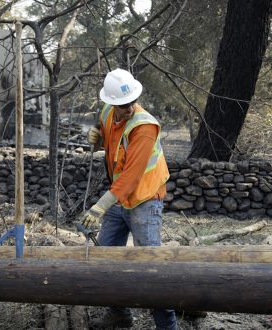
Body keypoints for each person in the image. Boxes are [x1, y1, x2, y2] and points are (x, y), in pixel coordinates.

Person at [82, 68, 177, 330]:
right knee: (107, 258)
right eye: (122, 105)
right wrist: (98, 139)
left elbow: (133, 176)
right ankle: (119, 314)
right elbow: (114, 149)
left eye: (131, 102)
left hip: (144, 199)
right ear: (111, 102)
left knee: (151, 265)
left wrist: (100, 207)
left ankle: (167, 326)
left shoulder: (144, 126)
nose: (129, 108)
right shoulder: (107, 112)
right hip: (120, 197)